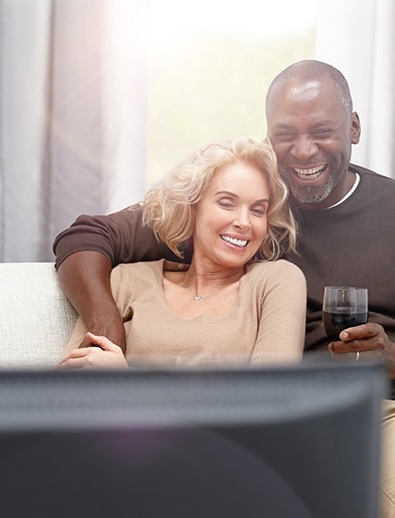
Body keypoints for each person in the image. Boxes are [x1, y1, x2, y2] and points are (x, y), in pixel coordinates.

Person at [53, 60, 395, 518]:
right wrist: (108, 327)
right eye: (286, 134)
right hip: (283, 421)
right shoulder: (248, 204)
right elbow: (85, 238)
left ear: (354, 127)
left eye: (322, 131)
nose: (303, 151)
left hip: (390, 410)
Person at [58, 137, 306, 369]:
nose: (244, 222)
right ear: (193, 207)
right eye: (227, 203)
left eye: (257, 209)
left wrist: (125, 381)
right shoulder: (126, 280)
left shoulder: (277, 282)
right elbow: (69, 385)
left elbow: (271, 398)